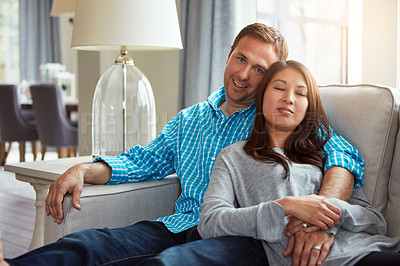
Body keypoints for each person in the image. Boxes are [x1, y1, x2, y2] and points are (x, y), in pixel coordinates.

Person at [1, 23, 364, 266]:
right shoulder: (190, 119)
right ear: (228, 56)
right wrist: (83, 169)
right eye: (240, 59)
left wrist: (322, 217)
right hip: (177, 224)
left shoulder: (276, 117)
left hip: (244, 234)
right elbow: (141, 161)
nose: (243, 74)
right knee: (89, 244)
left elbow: (342, 154)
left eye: (258, 69)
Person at [198, 60, 400, 265]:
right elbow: (210, 222)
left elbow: (375, 221)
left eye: (300, 94)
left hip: (366, 251)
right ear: (261, 96)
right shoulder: (233, 156)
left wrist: (324, 218)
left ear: (308, 107)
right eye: (279, 88)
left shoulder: (325, 156)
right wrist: (287, 206)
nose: (289, 99)